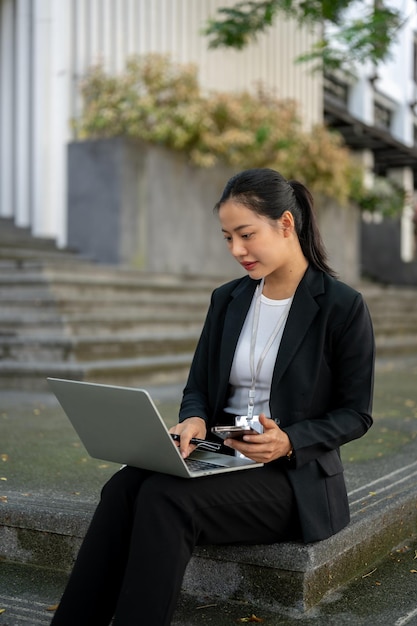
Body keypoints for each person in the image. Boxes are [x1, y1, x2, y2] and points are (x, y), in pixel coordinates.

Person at [50, 168, 375, 626]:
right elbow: (198, 387)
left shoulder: (341, 306)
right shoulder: (229, 299)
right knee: (125, 486)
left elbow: (356, 413)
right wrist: (195, 420)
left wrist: (289, 440)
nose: (236, 251)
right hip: (221, 449)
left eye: (246, 235)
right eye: (227, 238)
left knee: (166, 499)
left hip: (292, 476)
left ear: (286, 224)